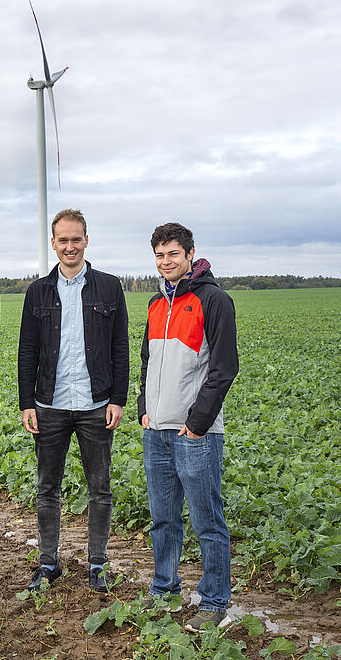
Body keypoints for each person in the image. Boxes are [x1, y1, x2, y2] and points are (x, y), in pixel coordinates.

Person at [18, 209, 129, 592]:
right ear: (53, 243)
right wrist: (26, 402)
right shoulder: (37, 291)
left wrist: (118, 398)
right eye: (62, 240)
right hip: (49, 404)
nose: (70, 246)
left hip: (96, 403)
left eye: (76, 239)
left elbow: (120, 347)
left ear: (86, 240)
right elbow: (27, 350)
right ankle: (48, 563)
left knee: (100, 488)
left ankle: (97, 563)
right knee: (47, 487)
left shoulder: (109, 287)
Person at [137, 222, 238, 632]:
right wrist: (144, 407)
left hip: (194, 435)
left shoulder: (214, 301)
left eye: (173, 254)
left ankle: (214, 600)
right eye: (160, 255)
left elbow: (224, 369)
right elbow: (147, 360)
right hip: (155, 432)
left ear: (190, 253)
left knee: (206, 520)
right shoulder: (155, 304)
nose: (166, 262)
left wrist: (197, 424)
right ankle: (165, 588)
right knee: (163, 519)